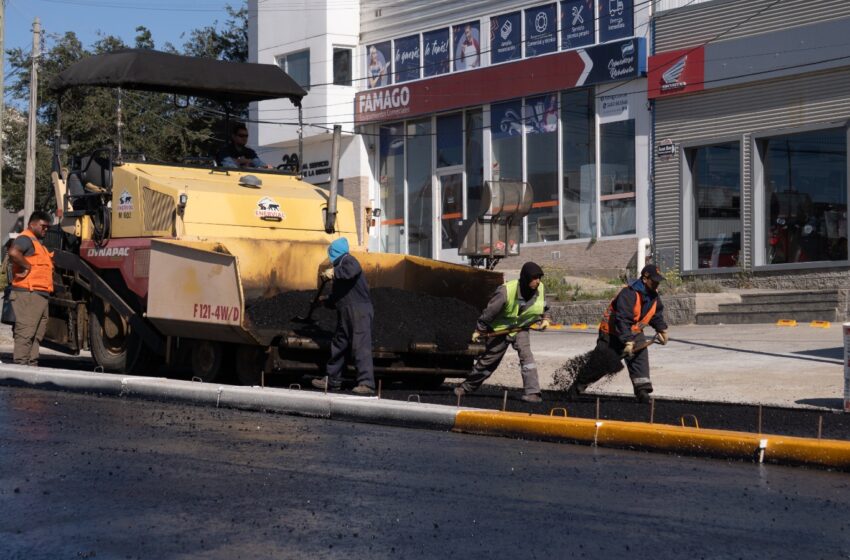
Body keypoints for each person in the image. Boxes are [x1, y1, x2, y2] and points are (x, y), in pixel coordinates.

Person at [454, 262, 550, 403]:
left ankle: (533, 393)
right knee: (489, 362)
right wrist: (479, 330)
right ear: (525, 278)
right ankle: (466, 387)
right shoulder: (506, 291)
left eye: (539, 278)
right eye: (534, 278)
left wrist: (546, 319)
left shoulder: (540, 288)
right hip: (500, 330)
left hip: (520, 329)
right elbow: (489, 313)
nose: (538, 281)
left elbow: (544, 305)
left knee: (527, 358)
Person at [572, 264, 669, 403]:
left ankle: (642, 392)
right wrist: (627, 341)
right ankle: (577, 388)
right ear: (644, 279)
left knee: (640, 359)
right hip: (611, 333)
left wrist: (662, 330)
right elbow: (622, 319)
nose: (657, 284)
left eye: (658, 281)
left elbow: (655, 314)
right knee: (601, 364)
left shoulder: (653, 296)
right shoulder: (629, 293)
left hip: (634, 332)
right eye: (654, 281)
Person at [311, 238, 376, 395]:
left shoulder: (349, 260)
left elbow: (351, 271)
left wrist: (334, 273)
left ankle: (366, 383)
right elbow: (338, 297)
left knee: (360, 345)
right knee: (339, 345)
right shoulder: (340, 267)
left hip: (358, 312)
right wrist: (324, 301)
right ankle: (332, 380)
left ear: (335, 252)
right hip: (346, 312)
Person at [7, 211, 54, 366]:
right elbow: (13, 252)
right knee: (26, 332)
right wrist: (27, 266)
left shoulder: (38, 244)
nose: (45, 229)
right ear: (32, 224)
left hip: (39, 294)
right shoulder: (25, 238)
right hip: (28, 293)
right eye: (43, 226)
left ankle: (31, 366)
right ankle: (20, 367)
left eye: (47, 227)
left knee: (36, 334)